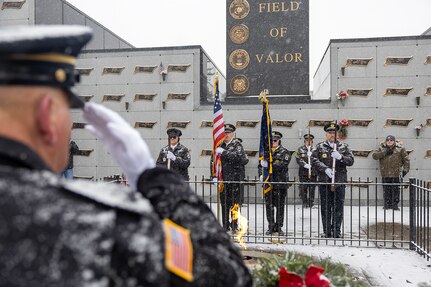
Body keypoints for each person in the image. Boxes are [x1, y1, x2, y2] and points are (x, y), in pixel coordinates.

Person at [0, 25, 252, 287]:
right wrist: (155, 179)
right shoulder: (99, 224)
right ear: (46, 115)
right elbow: (227, 277)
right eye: (66, 109)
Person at [311, 122, 354, 238]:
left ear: (337, 134)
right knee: (325, 207)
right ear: (326, 134)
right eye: (329, 133)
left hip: (339, 182)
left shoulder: (343, 147)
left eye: (333, 133)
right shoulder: (320, 147)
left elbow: (351, 161)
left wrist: (341, 157)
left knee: (338, 207)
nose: (331, 135)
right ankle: (327, 231)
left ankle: (336, 231)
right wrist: (325, 169)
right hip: (325, 181)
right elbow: (314, 160)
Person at [214, 124, 247, 232]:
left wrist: (224, 152)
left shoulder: (237, 145)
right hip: (223, 179)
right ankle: (225, 225)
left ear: (233, 133)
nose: (226, 134)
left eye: (228, 132)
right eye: (225, 132)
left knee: (234, 204)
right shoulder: (220, 145)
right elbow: (214, 162)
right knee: (224, 204)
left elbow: (239, 158)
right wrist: (214, 176)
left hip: (235, 179)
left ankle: (234, 225)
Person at [258, 131, 291, 236]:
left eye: (275, 140)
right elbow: (260, 166)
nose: (273, 142)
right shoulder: (265, 152)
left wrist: (269, 164)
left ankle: (279, 227)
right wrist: (261, 174)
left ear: (279, 141)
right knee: (269, 207)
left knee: (280, 207)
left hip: (280, 183)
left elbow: (282, 165)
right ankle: (271, 226)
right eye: (271, 140)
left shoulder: (284, 152)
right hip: (269, 184)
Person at [372, 135, 410, 210]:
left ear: (394, 141)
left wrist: (405, 170)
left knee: (395, 190)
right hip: (385, 173)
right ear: (386, 141)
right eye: (388, 140)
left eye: (391, 140)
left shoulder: (400, 149)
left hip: (396, 174)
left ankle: (395, 205)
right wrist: (384, 152)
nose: (389, 142)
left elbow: (406, 160)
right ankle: (387, 204)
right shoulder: (381, 148)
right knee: (386, 190)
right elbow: (374, 156)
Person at [295, 133, 317, 207]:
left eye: (310, 140)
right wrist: (305, 164)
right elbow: (298, 159)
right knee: (303, 188)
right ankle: (304, 203)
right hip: (303, 172)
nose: (308, 141)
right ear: (304, 141)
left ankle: (311, 203)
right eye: (307, 140)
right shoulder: (300, 149)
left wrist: (312, 156)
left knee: (312, 188)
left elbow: (318, 160)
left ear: (312, 141)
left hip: (313, 172)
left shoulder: (315, 149)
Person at [235, 137, 249, 205]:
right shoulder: (235, 150)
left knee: (240, 188)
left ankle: (240, 202)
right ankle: (236, 202)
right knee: (236, 188)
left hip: (240, 172)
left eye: (239, 142)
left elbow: (244, 161)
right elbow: (242, 160)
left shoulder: (241, 151)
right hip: (235, 172)